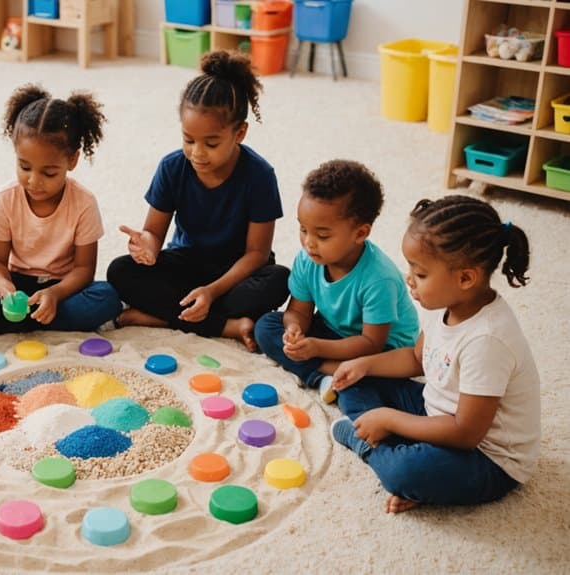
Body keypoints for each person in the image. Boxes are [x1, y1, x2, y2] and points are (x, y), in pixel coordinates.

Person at [329, 195, 539, 514]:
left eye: (421, 274)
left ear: (465, 278)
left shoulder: (488, 340)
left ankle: (372, 447)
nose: (409, 279)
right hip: (436, 411)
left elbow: (466, 433)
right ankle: (400, 453)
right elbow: (416, 360)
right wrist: (364, 364)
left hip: (487, 458)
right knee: (354, 384)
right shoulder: (446, 304)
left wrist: (390, 419)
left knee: (405, 473)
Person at [107, 50, 289, 351]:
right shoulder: (172, 167)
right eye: (188, 140)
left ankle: (165, 317)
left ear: (240, 132)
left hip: (236, 271)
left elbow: (257, 253)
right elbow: (154, 232)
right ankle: (226, 326)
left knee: (280, 280)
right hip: (187, 263)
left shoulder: (260, 175)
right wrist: (147, 246)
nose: (197, 153)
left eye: (211, 143)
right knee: (120, 271)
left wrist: (212, 291)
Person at [254, 160, 419, 402]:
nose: (309, 242)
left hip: (381, 349)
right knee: (266, 326)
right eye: (303, 229)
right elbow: (299, 311)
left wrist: (317, 349)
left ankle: (325, 371)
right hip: (332, 332)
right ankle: (326, 376)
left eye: (322, 235)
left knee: (375, 382)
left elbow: (371, 343)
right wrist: (294, 330)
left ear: (360, 233)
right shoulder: (307, 259)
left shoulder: (379, 279)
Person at [0, 84, 122, 333]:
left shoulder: (84, 203)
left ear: (72, 160)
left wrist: (55, 294)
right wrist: (4, 288)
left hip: (63, 286)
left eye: (48, 172)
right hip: (17, 284)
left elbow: (84, 269)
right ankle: (35, 319)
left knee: (107, 297)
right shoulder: (5, 199)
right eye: (24, 167)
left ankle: (29, 320)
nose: (34, 181)